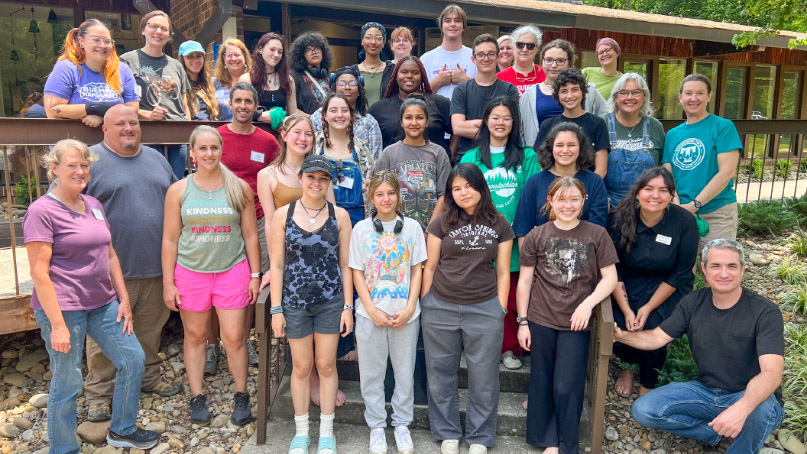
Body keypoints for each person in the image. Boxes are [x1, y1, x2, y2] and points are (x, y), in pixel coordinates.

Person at [24, 139, 160, 453]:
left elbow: (110, 255)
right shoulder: (41, 211)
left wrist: (123, 298)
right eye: (71, 165)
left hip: (102, 302)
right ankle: (63, 448)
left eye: (84, 165)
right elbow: (39, 273)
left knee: (133, 359)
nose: (80, 171)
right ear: (54, 169)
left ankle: (122, 429)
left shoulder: (93, 204)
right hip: (64, 308)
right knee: (67, 380)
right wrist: (57, 325)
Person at [619, 239, 784, 454]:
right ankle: (713, 434)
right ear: (704, 269)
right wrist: (621, 336)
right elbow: (656, 338)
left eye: (731, 266)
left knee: (760, 410)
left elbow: (772, 373)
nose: (723, 273)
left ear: (743, 269)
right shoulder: (692, 302)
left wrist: (742, 408)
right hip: (706, 391)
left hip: (750, 397)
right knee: (644, 409)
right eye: (716, 266)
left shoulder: (765, 312)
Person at [83, 105, 180, 424]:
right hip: (106, 272)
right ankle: (99, 393)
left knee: (150, 329)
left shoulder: (156, 158)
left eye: (133, 123)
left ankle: (149, 377)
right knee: (104, 336)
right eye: (120, 123)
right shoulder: (90, 161)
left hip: (155, 267)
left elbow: (177, 199)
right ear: (104, 130)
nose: (128, 128)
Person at [162, 125, 261, 426]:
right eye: (202, 148)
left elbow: (250, 236)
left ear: (221, 150)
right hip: (191, 272)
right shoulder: (179, 190)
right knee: (195, 336)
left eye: (214, 148)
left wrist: (255, 274)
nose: (209, 154)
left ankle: (241, 394)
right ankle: (196, 395)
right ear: (192, 152)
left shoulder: (238, 188)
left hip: (232, 269)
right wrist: (168, 283)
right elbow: (170, 239)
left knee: (234, 338)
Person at [516, 176, 618, 454]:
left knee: (565, 385)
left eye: (575, 199)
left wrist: (589, 304)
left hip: (576, 322)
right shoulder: (537, 235)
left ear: (584, 201)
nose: (568, 205)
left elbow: (609, 278)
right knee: (542, 380)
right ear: (550, 201)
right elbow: (524, 282)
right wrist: (522, 322)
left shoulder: (596, 234)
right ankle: (548, 440)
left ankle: (566, 443)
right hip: (541, 318)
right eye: (561, 199)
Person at [421, 163, 514, 454]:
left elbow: (502, 272)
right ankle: (447, 431)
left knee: (484, 376)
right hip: (441, 306)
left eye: (468, 186)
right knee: (439, 373)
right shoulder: (441, 223)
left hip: (484, 308)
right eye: (456, 188)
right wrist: (427, 302)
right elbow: (430, 266)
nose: (463, 193)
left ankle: (479, 437)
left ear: (481, 188)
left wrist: (499, 307)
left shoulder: (500, 224)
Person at [269, 154, 353, 454]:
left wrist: (347, 306)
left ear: (329, 182)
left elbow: (346, 265)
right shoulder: (283, 214)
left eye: (323, 178)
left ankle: (327, 433)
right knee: (302, 367)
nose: (316, 183)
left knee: (326, 365)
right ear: (301, 178)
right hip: (295, 302)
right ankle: (301, 432)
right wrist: (276, 309)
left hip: (330, 301)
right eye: (311, 177)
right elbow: (277, 266)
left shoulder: (340, 216)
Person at [460, 97, 540, 370]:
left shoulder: (526, 156)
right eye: (495, 117)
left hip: (515, 238)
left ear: (514, 122)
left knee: (509, 296)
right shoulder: (471, 157)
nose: (501, 123)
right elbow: (463, 196)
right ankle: (481, 347)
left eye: (507, 117)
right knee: (479, 294)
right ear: (485, 121)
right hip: (479, 237)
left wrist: (520, 231)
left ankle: (508, 348)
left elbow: (531, 197)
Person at [349, 171, 426, 454]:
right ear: (371, 197)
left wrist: (409, 307)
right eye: (379, 194)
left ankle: (402, 424)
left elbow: (417, 270)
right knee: (372, 373)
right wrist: (370, 308)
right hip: (371, 316)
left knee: (404, 372)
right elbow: (356, 272)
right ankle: (377, 426)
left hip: (405, 314)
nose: (385, 199)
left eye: (391, 193)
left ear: (399, 196)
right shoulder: (361, 230)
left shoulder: (413, 228)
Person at [607, 167, 697, 398]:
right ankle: (628, 367)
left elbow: (681, 272)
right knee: (620, 320)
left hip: (669, 284)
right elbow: (613, 267)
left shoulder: (684, 222)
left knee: (656, 325)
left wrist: (648, 307)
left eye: (663, 190)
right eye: (649, 189)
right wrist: (627, 309)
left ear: (671, 196)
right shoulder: (619, 219)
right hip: (627, 281)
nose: (655, 196)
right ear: (637, 193)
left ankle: (649, 381)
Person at [212, 82, 280, 370]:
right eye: (237, 100)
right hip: (222, 220)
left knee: (255, 280)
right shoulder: (216, 137)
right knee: (216, 281)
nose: (242, 106)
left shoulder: (268, 142)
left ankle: (246, 339)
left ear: (256, 106)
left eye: (248, 101)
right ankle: (212, 345)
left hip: (260, 217)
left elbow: (278, 179)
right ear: (230, 103)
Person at [662, 74, 742, 250]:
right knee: (682, 269)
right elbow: (667, 174)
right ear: (680, 97)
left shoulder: (723, 127)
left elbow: (726, 172)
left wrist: (694, 205)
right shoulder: (672, 135)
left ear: (709, 96)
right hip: (680, 211)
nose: (693, 98)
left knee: (717, 266)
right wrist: (678, 206)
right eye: (688, 93)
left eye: (700, 93)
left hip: (717, 211)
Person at [120, 10, 192, 180]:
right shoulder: (127, 61)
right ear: (143, 30)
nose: (159, 32)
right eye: (153, 26)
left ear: (169, 35)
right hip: (147, 135)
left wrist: (189, 135)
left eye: (164, 29)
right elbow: (118, 102)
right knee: (150, 183)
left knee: (175, 184)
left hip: (177, 137)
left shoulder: (176, 65)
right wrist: (146, 115)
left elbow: (184, 105)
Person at [512, 122, 609, 239]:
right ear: (550, 148)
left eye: (571, 145)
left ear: (581, 148)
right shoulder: (535, 182)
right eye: (559, 145)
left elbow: (596, 230)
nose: (565, 150)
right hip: (540, 254)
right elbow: (523, 230)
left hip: (584, 252)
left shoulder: (594, 182)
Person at [374, 94, 452, 230]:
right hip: (395, 229)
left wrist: (430, 230)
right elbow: (377, 191)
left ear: (427, 122)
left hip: (431, 230)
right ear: (401, 122)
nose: (414, 123)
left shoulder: (438, 153)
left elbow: (444, 195)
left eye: (420, 118)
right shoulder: (389, 153)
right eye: (408, 118)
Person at [44, 19, 139, 127]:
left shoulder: (122, 69)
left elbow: (133, 109)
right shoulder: (67, 68)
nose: (102, 45)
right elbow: (52, 110)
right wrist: (92, 109)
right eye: (96, 40)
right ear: (81, 41)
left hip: (113, 141)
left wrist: (104, 116)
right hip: (72, 140)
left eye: (107, 41)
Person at [520, 39, 607, 148]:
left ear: (570, 63)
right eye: (549, 60)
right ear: (542, 62)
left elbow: (607, 117)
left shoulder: (588, 91)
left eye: (560, 61)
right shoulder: (529, 95)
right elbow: (521, 131)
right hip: (542, 157)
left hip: (583, 157)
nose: (554, 65)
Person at [450, 34, 520, 163]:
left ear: (498, 57)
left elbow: (513, 126)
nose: (485, 58)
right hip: (468, 157)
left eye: (490, 54)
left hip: (503, 157)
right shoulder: (461, 90)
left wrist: (475, 123)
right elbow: (458, 128)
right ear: (473, 59)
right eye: (481, 55)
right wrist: (496, 129)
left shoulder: (509, 90)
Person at [602, 72, 666, 205]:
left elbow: (664, 168)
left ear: (644, 97)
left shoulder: (656, 127)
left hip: (647, 204)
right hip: (608, 204)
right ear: (615, 97)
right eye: (624, 93)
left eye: (636, 92)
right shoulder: (602, 124)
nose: (630, 97)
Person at [533, 69, 609, 177]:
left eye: (575, 90)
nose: (569, 96)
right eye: (564, 91)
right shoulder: (548, 125)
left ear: (583, 92)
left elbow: (601, 169)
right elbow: (541, 164)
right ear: (557, 95)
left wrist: (584, 191)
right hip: (555, 187)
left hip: (587, 188)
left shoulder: (597, 123)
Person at [370, 56, 453, 155]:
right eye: (404, 72)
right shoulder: (379, 109)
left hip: (434, 165)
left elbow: (457, 130)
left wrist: (451, 152)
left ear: (422, 76)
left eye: (415, 72)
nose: (409, 76)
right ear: (395, 76)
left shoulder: (440, 103)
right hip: (394, 167)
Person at [316, 93, 375, 226]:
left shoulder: (361, 150)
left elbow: (372, 187)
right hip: (321, 221)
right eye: (333, 110)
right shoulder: (314, 145)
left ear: (351, 115)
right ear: (324, 115)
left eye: (344, 110)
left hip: (358, 222)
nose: (340, 115)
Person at [311, 67, 383, 159]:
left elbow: (375, 161)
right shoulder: (317, 116)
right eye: (342, 83)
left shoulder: (370, 123)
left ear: (359, 91)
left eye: (352, 84)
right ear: (334, 88)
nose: (347, 87)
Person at [240, 32, 298, 127]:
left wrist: (283, 119)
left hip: (280, 136)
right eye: (272, 49)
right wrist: (260, 115)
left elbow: (294, 115)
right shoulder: (247, 79)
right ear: (260, 49)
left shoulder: (288, 80)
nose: (276, 55)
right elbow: (242, 110)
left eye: (280, 52)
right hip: (254, 133)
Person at [420, 4, 475, 99]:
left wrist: (466, 81)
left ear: (464, 26)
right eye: (447, 21)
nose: (452, 24)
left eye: (457, 20)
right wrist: (438, 81)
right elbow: (418, 95)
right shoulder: (426, 59)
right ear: (441, 26)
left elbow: (484, 93)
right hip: (435, 113)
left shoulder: (475, 57)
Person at [290, 31, 333, 115]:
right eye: (308, 50)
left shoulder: (330, 76)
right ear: (302, 55)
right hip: (307, 125)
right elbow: (291, 108)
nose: (313, 52)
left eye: (317, 48)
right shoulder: (294, 76)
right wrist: (312, 120)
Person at [178, 40, 223, 121]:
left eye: (199, 56)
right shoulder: (178, 85)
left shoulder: (209, 84)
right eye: (190, 56)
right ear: (182, 59)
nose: (195, 60)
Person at [495, 25, 546, 96]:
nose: (525, 49)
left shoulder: (546, 74)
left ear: (536, 49)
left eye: (530, 46)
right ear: (513, 47)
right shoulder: (500, 78)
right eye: (520, 45)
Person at [354, 22, 395, 107]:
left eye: (378, 38)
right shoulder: (353, 72)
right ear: (362, 41)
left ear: (383, 43)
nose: (373, 42)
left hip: (385, 119)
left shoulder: (393, 70)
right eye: (368, 37)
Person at [212, 38, 251, 122]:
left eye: (237, 55)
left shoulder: (254, 81)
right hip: (221, 132)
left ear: (244, 56)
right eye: (229, 55)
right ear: (224, 59)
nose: (233, 59)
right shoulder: (214, 83)